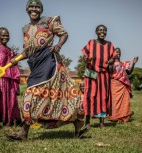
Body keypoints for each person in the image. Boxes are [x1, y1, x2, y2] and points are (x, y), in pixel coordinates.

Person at [6, 0, 84, 140]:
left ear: (41, 10)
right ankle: (78, 126)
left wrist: (59, 45)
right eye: (31, 6)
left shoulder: (49, 21)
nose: (34, 9)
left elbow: (64, 34)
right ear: (27, 9)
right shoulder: (26, 28)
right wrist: (15, 60)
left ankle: (23, 133)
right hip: (35, 64)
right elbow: (28, 51)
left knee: (38, 94)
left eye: (37, 7)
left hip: (50, 62)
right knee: (41, 95)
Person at [81, 24, 115, 131]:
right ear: (96, 32)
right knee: (89, 95)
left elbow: (113, 57)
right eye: (100, 30)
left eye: (104, 30)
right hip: (91, 71)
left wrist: (110, 61)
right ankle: (87, 122)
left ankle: (101, 122)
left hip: (103, 73)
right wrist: (86, 60)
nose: (102, 32)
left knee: (103, 97)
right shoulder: (91, 43)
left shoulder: (110, 45)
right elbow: (84, 56)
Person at [107, 48, 137, 123]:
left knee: (125, 100)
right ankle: (115, 117)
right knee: (115, 102)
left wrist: (133, 63)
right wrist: (111, 63)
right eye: (116, 52)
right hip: (114, 84)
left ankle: (124, 116)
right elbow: (110, 71)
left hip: (123, 84)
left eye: (119, 52)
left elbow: (129, 72)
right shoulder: (111, 62)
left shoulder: (123, 63)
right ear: (113, 53)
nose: (118, 53)